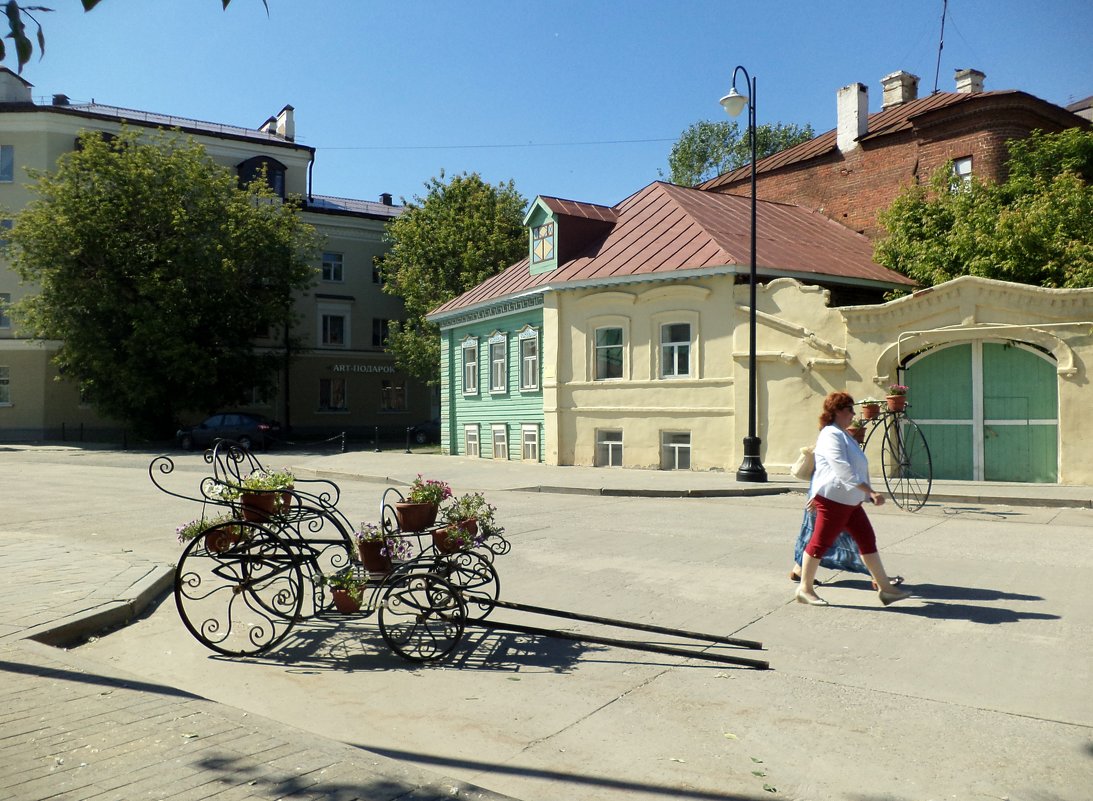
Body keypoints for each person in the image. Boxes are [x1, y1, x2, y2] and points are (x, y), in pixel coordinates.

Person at [796, 391, 911, 607]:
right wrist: (870, 491)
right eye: (849, 409)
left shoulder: (843, 434)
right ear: (837, 411)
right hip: (834, 499)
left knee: (867, 539)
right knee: (820, 543)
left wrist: (865, 494)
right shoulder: (830, 434)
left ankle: (886, 589)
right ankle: (805, 588)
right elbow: (842, 468)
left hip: (849, 501)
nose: (853, 413)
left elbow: (859, 467)